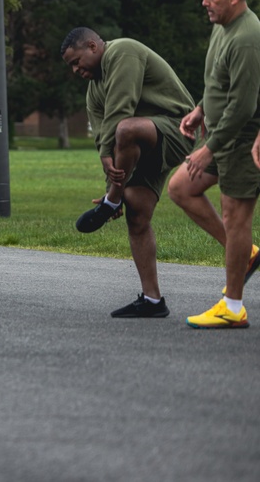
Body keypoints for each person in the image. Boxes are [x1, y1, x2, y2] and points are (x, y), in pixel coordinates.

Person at [61, 27, 195, 318]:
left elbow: (122, 110)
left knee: (126, 127)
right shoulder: (93, 90)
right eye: (70, 66)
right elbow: (102, 141)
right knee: (137, 215)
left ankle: (112, 200)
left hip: (179, 129)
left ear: (93, 46)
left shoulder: (123, 51)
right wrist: (112, 178)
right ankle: (152, 300)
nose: (75, 70)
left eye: (76, 61)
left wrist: (113, 186)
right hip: (142, 145)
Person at [170, 0, 260, 329]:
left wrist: (211, 148)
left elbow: (243, 103)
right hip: (221, 134)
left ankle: (233, 306)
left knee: (235, 217)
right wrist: (200, 110)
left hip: (240, 140)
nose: (204, 2)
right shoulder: (222, 28)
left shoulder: (247, 37)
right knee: (180, 188)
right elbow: (216, 83)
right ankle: (246, 255)